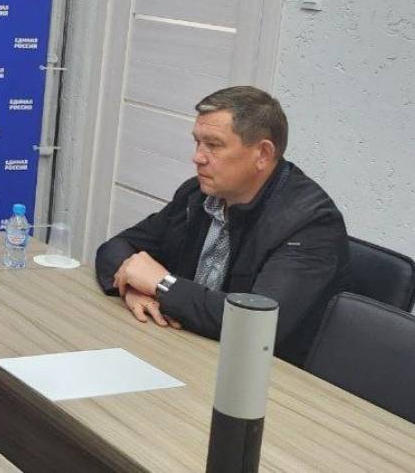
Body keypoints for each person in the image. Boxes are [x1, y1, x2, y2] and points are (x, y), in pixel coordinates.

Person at [96, 86, 349, 366]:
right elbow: (117, 248)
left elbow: (255, 325)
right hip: (186, 350)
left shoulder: (310, 224)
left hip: (262, 375)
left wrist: (163, 284)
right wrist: (134, 288)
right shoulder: (197, 195)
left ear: (263, 154)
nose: (198, 157)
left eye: (213, 145)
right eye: (197, 142)